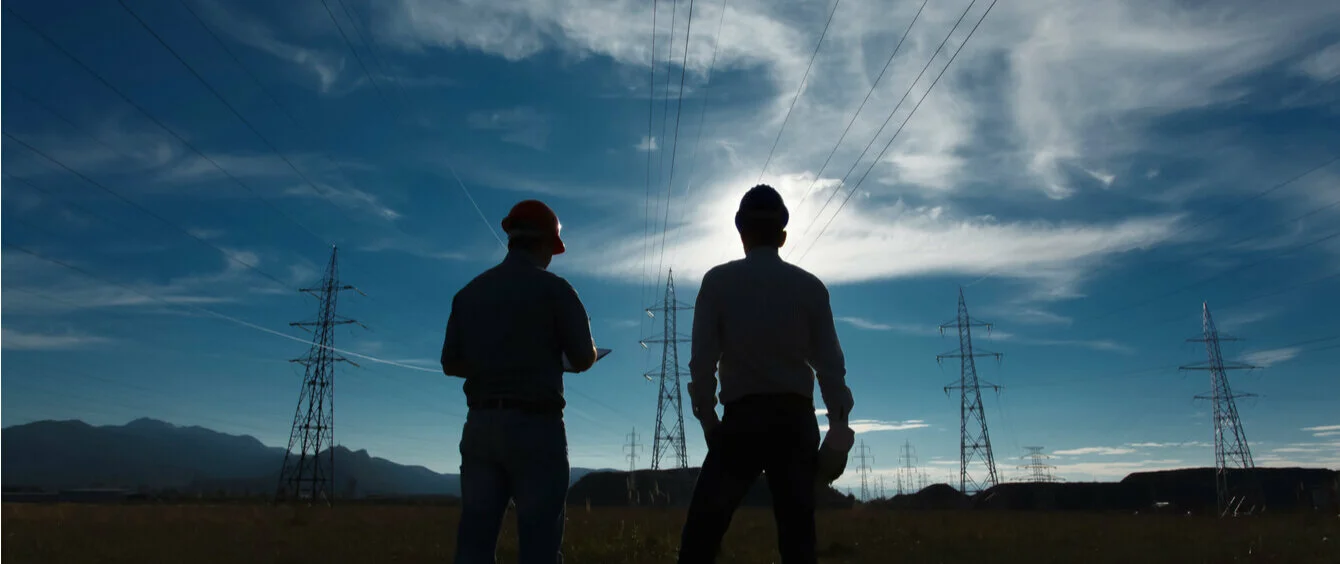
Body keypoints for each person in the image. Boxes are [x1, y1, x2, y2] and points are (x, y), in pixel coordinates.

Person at [678, 184, 854, 564]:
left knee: (700, 538)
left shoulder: (718, 282)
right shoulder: (810, 288)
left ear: (741, 232)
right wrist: (838, 430)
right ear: (783, 236)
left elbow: (702, 363)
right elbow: (830, 368)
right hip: (795, 423)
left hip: (741, 421)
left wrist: (710, 422)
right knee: (798, 541)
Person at [441, 199, 598, 564]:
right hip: (536, 427)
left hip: (480, 426)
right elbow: (582, 358)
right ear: (546, 245)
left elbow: (450, 363)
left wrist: (493, 362)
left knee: (474, 544)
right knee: (540, 546)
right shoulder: (556, 290)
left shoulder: (468, 294)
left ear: (511, 238)